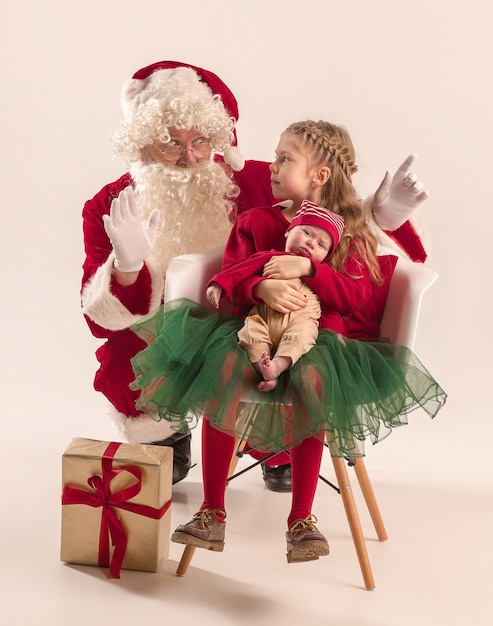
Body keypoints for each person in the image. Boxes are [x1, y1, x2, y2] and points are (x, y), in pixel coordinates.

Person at [81, 59, 432, 489]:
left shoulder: (256, 179)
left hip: (253, 313)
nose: (190, 157)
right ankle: (168, 436)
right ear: (141, 141)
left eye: (201, 140)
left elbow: (327, 215)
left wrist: (381, 213)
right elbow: (101, 322)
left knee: (283, 356)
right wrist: (128, 268)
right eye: (171, 144)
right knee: (124, 360)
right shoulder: (108, 206)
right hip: (163, 325)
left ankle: (275, 445)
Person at [129, 120, 446, 563]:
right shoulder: (257, 222)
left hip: (319, 339)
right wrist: (260, 288)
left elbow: (355, 298)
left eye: (285, 159)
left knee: (312, 381)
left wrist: (311, 270)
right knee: (224, 371)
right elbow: (233, 276)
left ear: (319, 175)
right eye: (276, 156)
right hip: (250, 327)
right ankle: (211, 511)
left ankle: (301, 518)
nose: (273, 167)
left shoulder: (347, 231)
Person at [206, 201, 346, 392]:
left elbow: (330, 309)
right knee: (250, 332)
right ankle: (264, 370)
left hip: (299, 320)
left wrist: (336, 335)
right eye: (306, 233)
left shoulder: (320, 273)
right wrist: (218, 284)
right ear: (289, 231)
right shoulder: (269, 257)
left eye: (321, 245)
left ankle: (278, 365)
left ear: (326, 256)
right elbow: (238, 271)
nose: (311, 243)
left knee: (304, 333)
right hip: (264, 317)